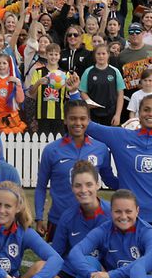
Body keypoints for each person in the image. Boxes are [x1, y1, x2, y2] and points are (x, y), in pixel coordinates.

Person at [86, 94, 152, 236]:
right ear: (139, 113)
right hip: (128, 216)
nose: (151, 114)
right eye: (146, 109)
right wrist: (74, 92)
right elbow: (88, 125)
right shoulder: (120, 136)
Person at [33, 100, 115, 238]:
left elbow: (110, 180)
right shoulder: (51, 150)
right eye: (73, 118)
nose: (78, 123)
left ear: (89, 120)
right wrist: (39, 217)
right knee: (58, 259)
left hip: (92, 221)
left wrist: (132, 181)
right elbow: (41, 186)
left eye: (82, 118)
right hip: (58, 220)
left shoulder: (100, 149)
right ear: (65, 120)